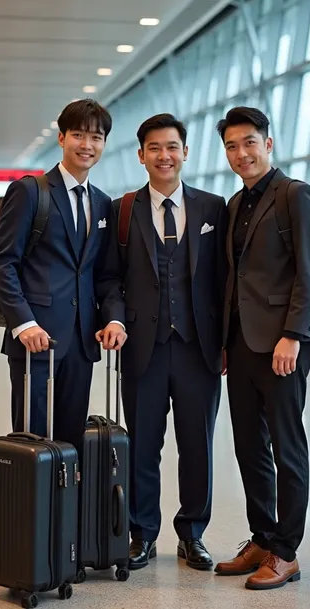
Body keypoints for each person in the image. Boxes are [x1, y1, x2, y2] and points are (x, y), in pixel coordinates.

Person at [108, 113, 227, 571]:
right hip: (143, 347)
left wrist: (226, 344)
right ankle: (142, 533)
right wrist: (115, 320)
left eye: (172, 146)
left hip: (199, 348)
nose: (164, 155)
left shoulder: (214, 208)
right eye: (154, 148)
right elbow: (108, 279)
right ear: (141, 155)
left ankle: (192, 534)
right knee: (143, 444)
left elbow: (225, 280)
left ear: (186, 152)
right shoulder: (121, 211)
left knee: (197, 445)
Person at [214, 107, 310, 590]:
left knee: (287, 447)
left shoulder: (295, 195)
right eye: (232, 146)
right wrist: (224, 343)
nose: (241, 154)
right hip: (241, 345)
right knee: (248, 447)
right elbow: (233, 281)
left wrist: (295, 335)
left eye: (249, 143)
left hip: (282, 344)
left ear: (268, 144)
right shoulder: (237, 205)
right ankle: (262, 536)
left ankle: (286, 551)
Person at [0, 99, 126, 449]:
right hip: (36, 340)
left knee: (70, 442)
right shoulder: (30, 192)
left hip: (81, 342)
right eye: (78, 135)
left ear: (104, 144)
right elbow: (4, 262)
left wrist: (114, 320)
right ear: (62, 137)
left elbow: (105, 275)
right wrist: (24, 324)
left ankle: (64, 506)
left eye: (96, 137)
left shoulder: (101, 203)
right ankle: (30, 507)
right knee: (32, 443)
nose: (87, 144)